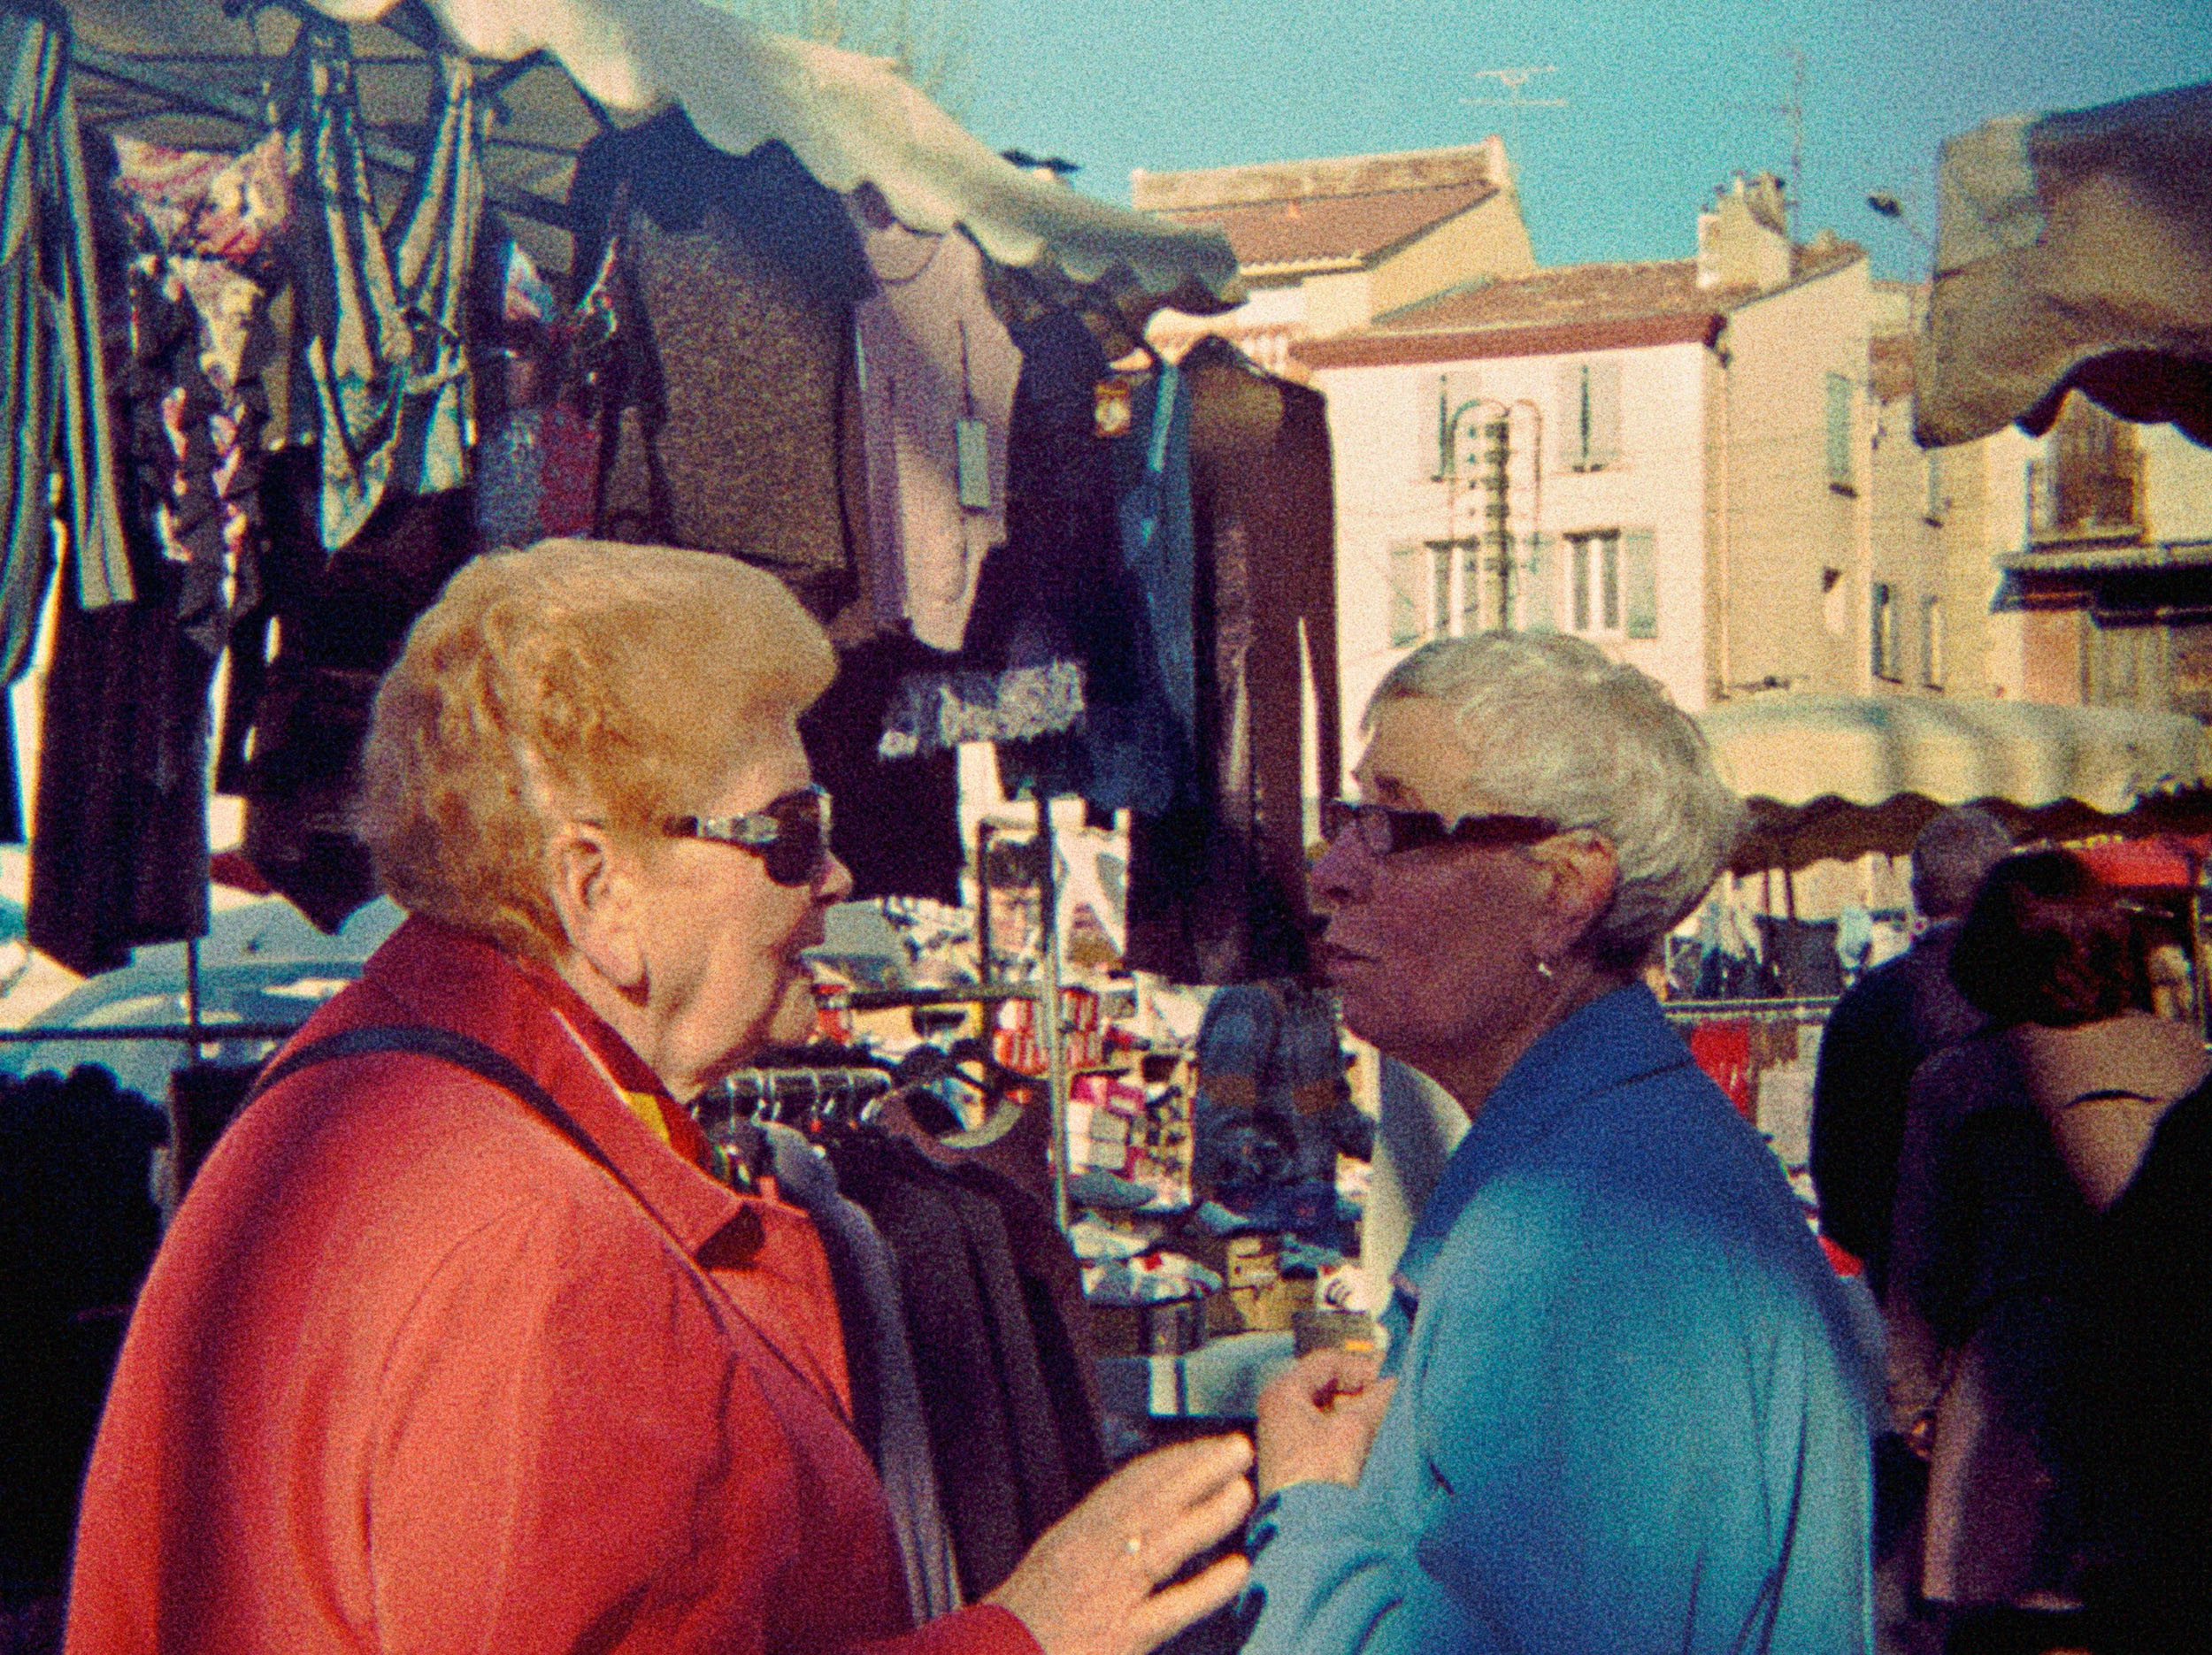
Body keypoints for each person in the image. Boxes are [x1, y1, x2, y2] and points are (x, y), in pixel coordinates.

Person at [65, 541, 1254, 1655]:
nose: (837, 874)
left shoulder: (365, 1100)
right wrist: (1028, 1633)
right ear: (598, 889)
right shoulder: (538, 1241)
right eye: (791, 832)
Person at [1242, 632, 1876, 1654]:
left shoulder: (1590, 1227)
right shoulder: (1607, 1161)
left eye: (1394, 822)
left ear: (1564, 890)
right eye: (1347, 817)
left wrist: (1309, 1506)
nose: (1332, 873)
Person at [1884, 849, 2208, 1652]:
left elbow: (1922, 1268)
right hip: (2167, 1386)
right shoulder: (2185, 1061)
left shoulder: (1954, 1082)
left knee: (2011, 1622)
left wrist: (1914, 1403)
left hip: (2009, 1395)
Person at [1809, 806, 2014, 1299]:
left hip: (1902, 1279)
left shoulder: (1863, 1005)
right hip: (2023, 1283)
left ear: (1918, 893)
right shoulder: (2038, 992)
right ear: (2006, 889)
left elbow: (1835, 1172)